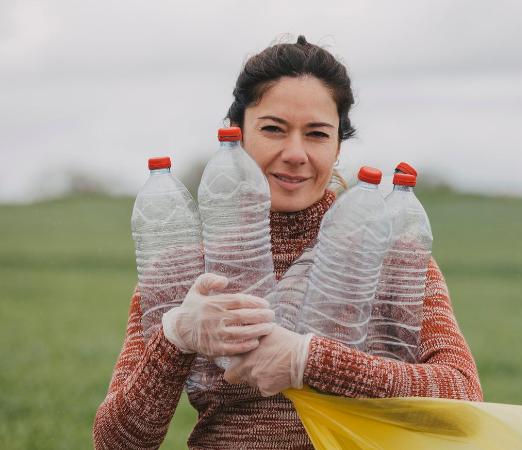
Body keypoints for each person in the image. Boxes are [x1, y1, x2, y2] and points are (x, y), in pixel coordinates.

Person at [93, 35, 482, 450]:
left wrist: (309, 360)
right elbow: (116, 443)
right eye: (274, 129)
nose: (295, 153)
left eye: (316, 134)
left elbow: (464, 400)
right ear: (238, 135)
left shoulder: (391, 256)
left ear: (337, 147)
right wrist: (175, 338)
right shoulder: (187, 269)